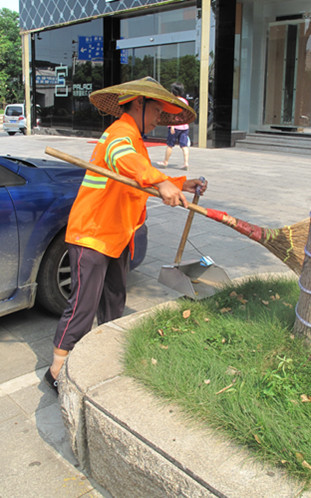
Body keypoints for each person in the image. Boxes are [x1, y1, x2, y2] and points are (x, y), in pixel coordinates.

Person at [44, 76, 207, 394]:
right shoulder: (120, 133)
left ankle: (103, 351)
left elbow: (139, 178)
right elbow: (127, 162)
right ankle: (56, 369)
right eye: (156, 111)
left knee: (114, 298)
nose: (159, 118)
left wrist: (178, 182)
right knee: (82, 306)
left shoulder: (135, 139)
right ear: (138, 103)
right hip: (92, 233)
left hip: (118, 234)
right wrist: (160, 182)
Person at [157, 82, 190, 170]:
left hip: (175, 126)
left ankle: (165, 162)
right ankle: (186, 163)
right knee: (184, 145)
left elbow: (172, 114)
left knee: (170, 145)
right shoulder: (185, 101)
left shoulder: (173, 101)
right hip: (184, 126)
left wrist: (172, 126)